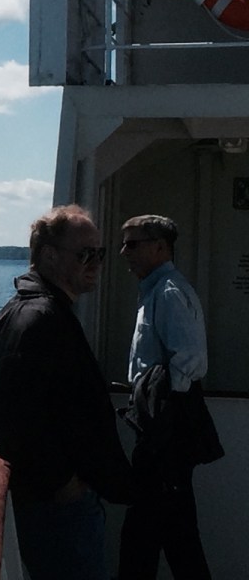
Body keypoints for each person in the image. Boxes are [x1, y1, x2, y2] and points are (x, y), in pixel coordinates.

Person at [0, 204, 134, 580]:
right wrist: (62, 483)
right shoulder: (40, 318)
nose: (96, 263)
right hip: (58, 507)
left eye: (100, 253)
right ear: (50, 256)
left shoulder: (41, 312)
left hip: (63, 501)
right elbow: (9, 414)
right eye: (85, 254)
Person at [117, 214, 223, 580]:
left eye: (132, 244)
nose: (124, 252)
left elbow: (191, 359)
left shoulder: (168, 293)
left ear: (160, 247)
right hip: (161, 429)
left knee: (151, 532)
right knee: (168, 532)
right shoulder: (156, 290)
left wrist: (158, 407)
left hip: (165, 432)